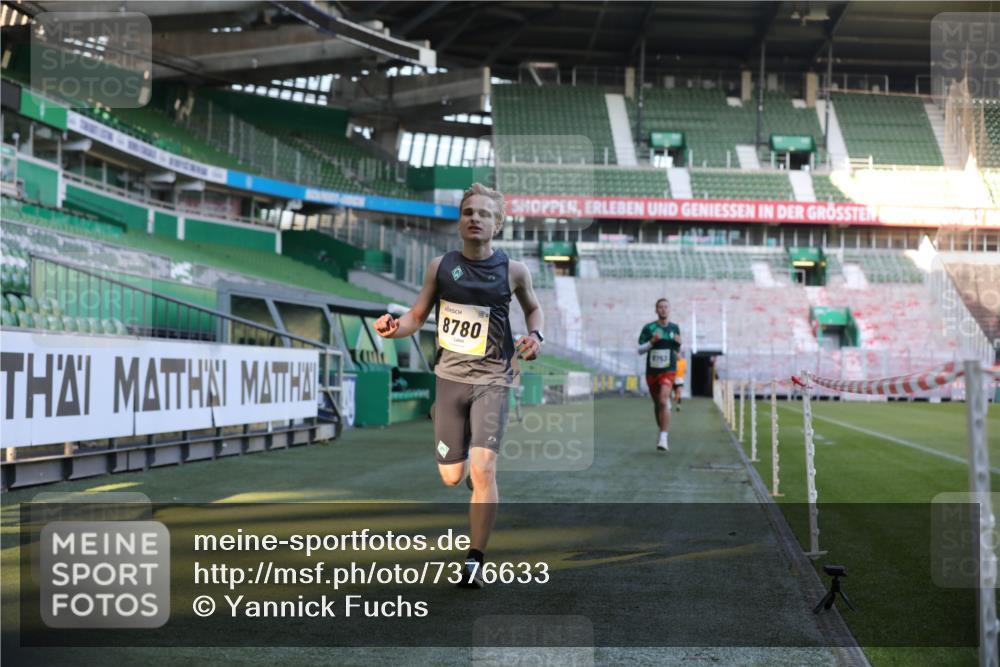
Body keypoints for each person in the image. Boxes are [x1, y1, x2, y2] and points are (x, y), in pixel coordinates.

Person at [373, 183, 544, 589]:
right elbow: (416, 316)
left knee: (484, 469)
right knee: (453, 477)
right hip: (449, 380)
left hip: (493, 379)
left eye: (484, 213)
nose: (475, 218)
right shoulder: (439, 266)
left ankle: (474, 560)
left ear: (497, 224)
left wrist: (536, 337)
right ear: (459, 220)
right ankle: (452, 430)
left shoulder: (514, 271)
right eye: (468, 211)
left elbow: (534, 309)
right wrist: (395, 328)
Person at [637, 298, 681, 451]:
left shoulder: (675, 328)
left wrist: (679, 344)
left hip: (668, 370)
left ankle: (663, 438)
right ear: (656, 310)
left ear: (669, 310)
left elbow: (676, 351)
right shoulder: (649, 328)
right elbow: (639, 350)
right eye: (660, 307)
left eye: (666, 307)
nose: (663, 309)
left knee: (663, 400)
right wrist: (651, 342)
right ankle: (662, 429)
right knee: (658, 404)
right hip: (652, 372)